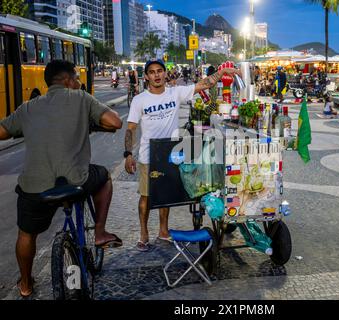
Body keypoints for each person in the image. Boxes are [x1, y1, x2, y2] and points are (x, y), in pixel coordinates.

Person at [0, 60, 123, 298]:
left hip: (34, 187)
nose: (79, 82)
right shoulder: (80, 98)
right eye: (77, 78)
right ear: (68, 80)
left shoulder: (28, 107)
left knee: (26, 233)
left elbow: (3, 131)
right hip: (75, 180)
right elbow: (115, 122)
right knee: (105, 176)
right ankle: (99, 233)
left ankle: (25, 284)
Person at [124, 59, 240, 251]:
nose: (156, 75)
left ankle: (163, 231)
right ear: (146, 76)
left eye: (159, 71)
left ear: (165, 74)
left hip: (170, 152)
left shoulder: (175, 93)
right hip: (148, 155)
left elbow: (205, 84)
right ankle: (143, 234)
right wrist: (128, 154)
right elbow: (131, 129)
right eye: (152, 72)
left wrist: (224, 71)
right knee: (145, 196)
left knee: (165, 195)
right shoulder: (139, 100)